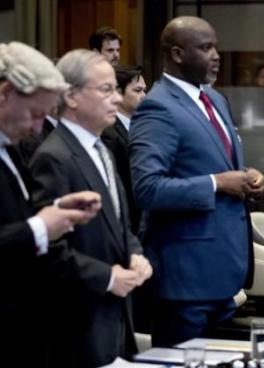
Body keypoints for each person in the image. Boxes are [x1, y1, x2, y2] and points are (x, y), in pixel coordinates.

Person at [129, 16, 264, 347]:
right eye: (206, 48)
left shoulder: (215, 100)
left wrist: (248, 177)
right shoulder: (157, 108)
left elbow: (218, 164)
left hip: (226, 272)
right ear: (177, 54)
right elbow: (146, 189)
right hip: (185, 281)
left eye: (216, 46)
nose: (216, 55)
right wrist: (216, 183)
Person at [30, 49, 152, 367]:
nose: (115, 99)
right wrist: (108, 277)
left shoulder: (103, 148)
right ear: (70, 95)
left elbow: (119, 224)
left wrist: (136, 254)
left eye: (116, 89)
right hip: (79, 320)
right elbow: (48, 248)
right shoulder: (53, 157)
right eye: (105, 89)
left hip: (117, 316)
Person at [0, 41, 102, 367]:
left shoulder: (11, 146)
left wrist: (58, 207)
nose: (37, 127)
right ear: (5, 93)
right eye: (34, 114)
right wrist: (41, 227)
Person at [102, 64, 146, 234]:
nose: (144, 96)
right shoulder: (109, 133)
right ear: (118, 92)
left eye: (144, 90)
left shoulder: (141, 127)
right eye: (137, 91)